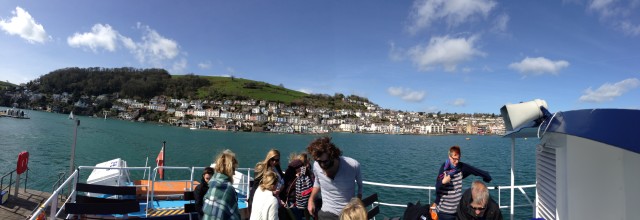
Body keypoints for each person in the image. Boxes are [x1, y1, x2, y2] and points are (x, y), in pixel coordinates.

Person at [306, 137, 363, 220]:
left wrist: (358, 202)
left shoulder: (353, 165)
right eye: (319, 161)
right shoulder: (316, 165)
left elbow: (360, 186)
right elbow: (317, 182)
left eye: (325, 162)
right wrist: (310, 200)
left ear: (333, 156)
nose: (322, 165)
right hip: (326, 212)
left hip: (348, 213)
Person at [434, 146, 492, 220]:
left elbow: (474, 170)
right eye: (454, 159)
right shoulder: (444, 169)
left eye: (458, 159)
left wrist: (486, 176)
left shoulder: (460, 167)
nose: (456, 161)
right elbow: (437, 187)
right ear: (449, 156)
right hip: (444, 212)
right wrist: (443, 182)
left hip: (458, 211)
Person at [202, 149, 241, 220]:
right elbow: (234, 217)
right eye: (234, 169)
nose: (234, 173)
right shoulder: (228, 189)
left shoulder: (211, 185)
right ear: (229, 169)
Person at [283, 153, 315, 220]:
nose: (307, 166)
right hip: (295, 200)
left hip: (299, 200)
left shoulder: (300, 170)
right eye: (305, 164)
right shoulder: (293, 172)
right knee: (298, 216)